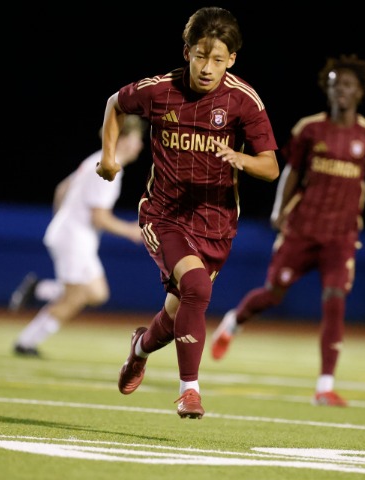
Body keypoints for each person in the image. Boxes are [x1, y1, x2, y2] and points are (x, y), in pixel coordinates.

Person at [96, 7, 279, 419]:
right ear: (187, 52)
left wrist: (241, 159)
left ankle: (140, 348)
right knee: (196, 287)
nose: (207, 68)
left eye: (217, 59)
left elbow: (270, 167)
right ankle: (189, 391)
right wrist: (109, 158)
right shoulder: (159, 90)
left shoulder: (243, 100)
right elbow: (115, 104)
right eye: (200, 56)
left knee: (178, 310)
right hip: (163, 215)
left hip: (216, 224)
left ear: (232, 59)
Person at [210, 54, 365, 407]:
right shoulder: (309, 129)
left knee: (335, 299)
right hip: (302, 229)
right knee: (273, 293)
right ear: (327, 89)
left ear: (360, 91)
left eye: (347, 85)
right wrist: (278, 209)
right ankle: (233, 321)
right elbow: (292, 172)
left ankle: (324, 386)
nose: (340, 91)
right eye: (335, 84)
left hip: (341, 236)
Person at [11, 115, 146, 357]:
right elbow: (99, 218)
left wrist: (63, 221)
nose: (140, 145)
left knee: (97, 293)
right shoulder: (109, 168)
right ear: (122, 139)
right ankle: (26, 342)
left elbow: (61, 189)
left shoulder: (97, 159)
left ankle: (39, 289)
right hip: (75, 239)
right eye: (136, 139)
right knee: (75, 297)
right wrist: (130, 231)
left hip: (73, 236)